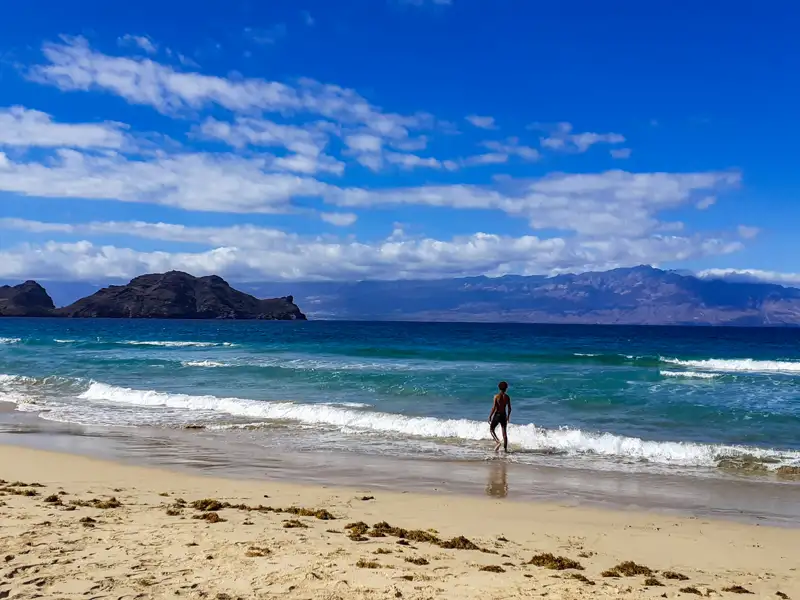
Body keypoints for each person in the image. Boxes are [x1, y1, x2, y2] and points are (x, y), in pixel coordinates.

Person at [488, 381, 511, 453]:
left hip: (497, 415)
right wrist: (508, 416)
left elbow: (494, 408)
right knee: (504, 433)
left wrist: (490, 416)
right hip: (504, 415)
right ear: (506, 388)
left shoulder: (496, 396)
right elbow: (509, 408)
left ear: (499, 388)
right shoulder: (507, 397)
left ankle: (498, 442)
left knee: (491, 429)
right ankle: (505, 450)